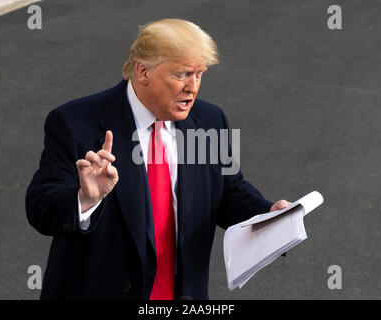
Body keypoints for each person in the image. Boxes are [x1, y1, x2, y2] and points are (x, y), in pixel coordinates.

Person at [26, 18, 290, 300]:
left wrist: (269, 215)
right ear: (143, 72)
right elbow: (41, 208)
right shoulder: (75, 122)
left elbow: (228, 191)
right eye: (181, 74)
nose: (193, 86)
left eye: (199, 74)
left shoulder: (209, 120)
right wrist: (84, 199)